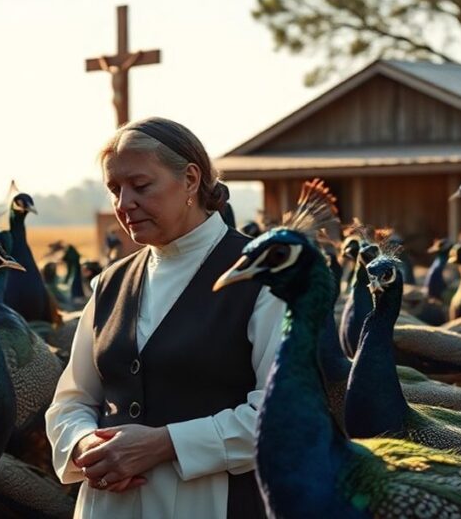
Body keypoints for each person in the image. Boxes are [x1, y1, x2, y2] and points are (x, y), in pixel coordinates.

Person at [45, 117, 286, 518]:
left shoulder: (264, 277)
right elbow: (71, 401)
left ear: (191, 180)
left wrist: (165, 443)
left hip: (212, 503)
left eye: (140, 186)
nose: (124, 204)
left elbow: (281, 414)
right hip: (108, 506)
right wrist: (86, 445)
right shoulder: (110, 283)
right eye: (114, 190)